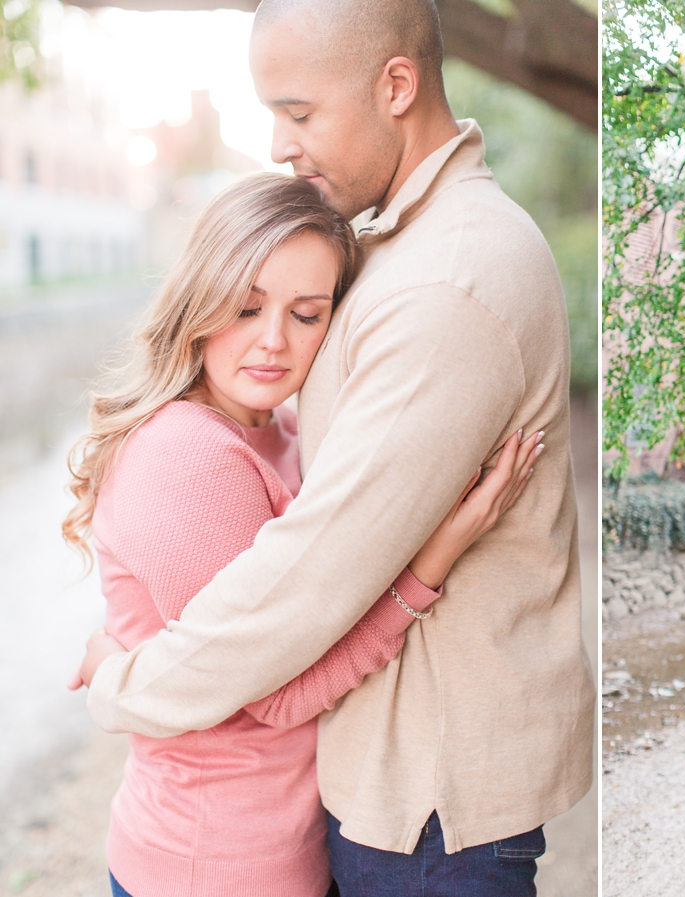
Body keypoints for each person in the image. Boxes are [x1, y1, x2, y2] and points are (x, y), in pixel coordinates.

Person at [82, 0, 595, 893]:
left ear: (395, 85)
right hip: (370, 796)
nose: (280, 143)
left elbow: (310, 573)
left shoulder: (449, 274)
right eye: (246, 306)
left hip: (430, 801)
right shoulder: (396, 243)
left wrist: (131, 681)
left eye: (298, 111)